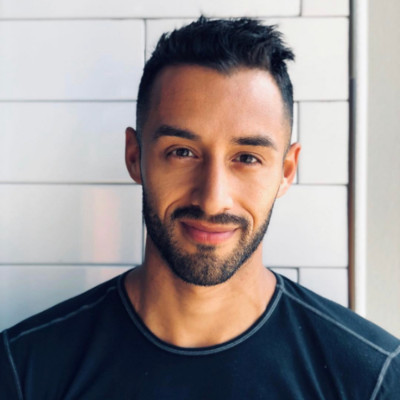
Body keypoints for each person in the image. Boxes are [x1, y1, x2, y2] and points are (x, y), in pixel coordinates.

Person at [1, 16, 399, 400]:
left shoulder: (371, 380)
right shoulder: (23, 370)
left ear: (286, 171)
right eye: (182, 152)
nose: (212, 198)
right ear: (135, 156)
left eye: (247, 158)